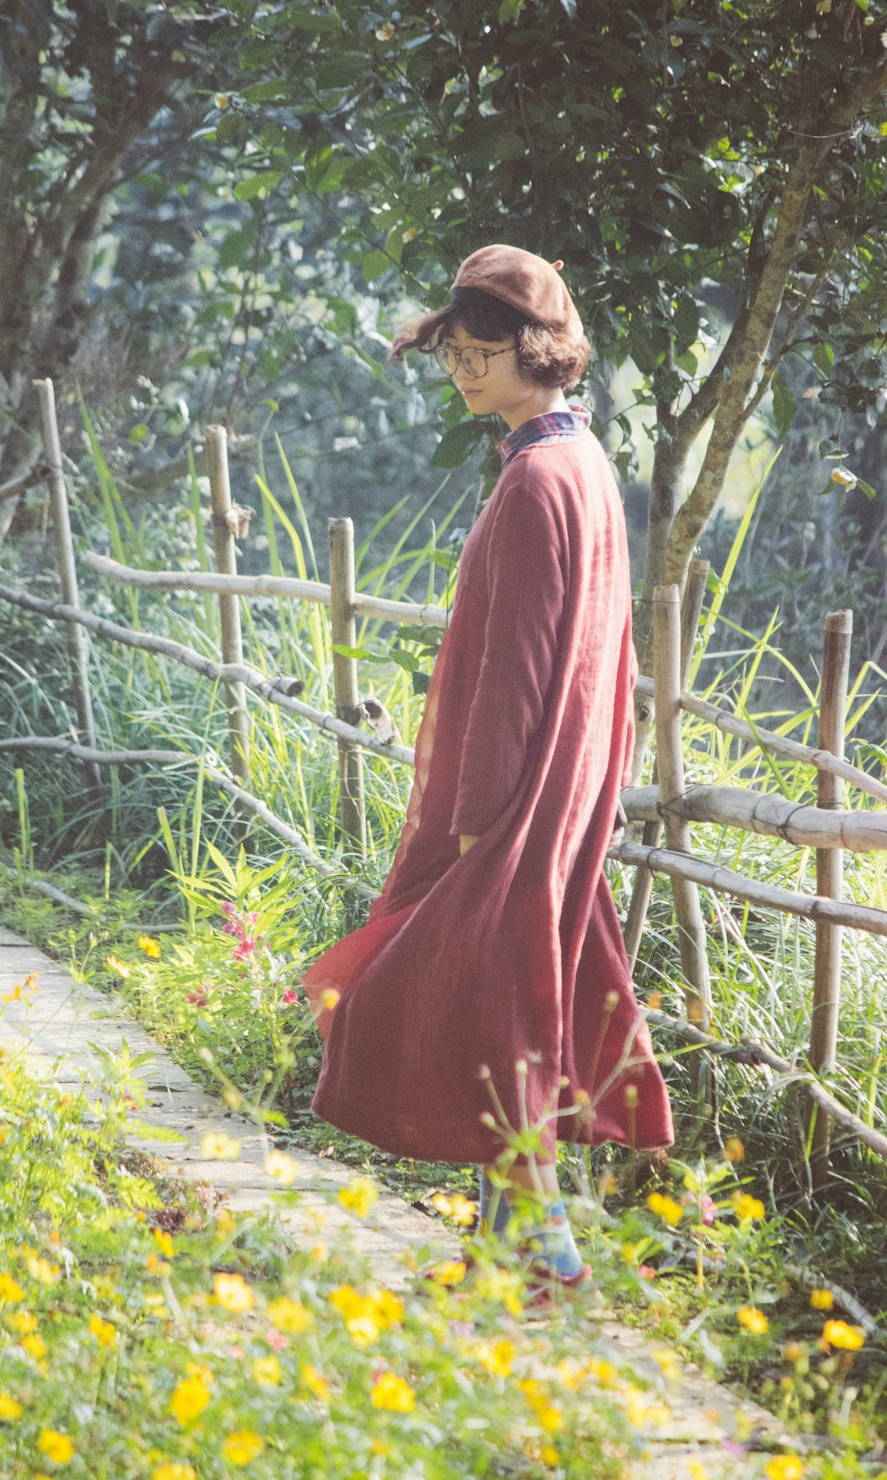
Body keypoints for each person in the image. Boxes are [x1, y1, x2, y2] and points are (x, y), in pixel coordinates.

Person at [301, 244, 673, 1293]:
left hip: (511, 797)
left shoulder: (534, 483)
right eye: (452, 354)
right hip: (561, 787)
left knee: (438, 995)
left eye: (481, 352)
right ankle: (512, 1239)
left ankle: (544, 1243)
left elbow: (516, 667)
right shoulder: (579, 464)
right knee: (503, 1002)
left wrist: (476, 815)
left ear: (537, 351)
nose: (464, 372)